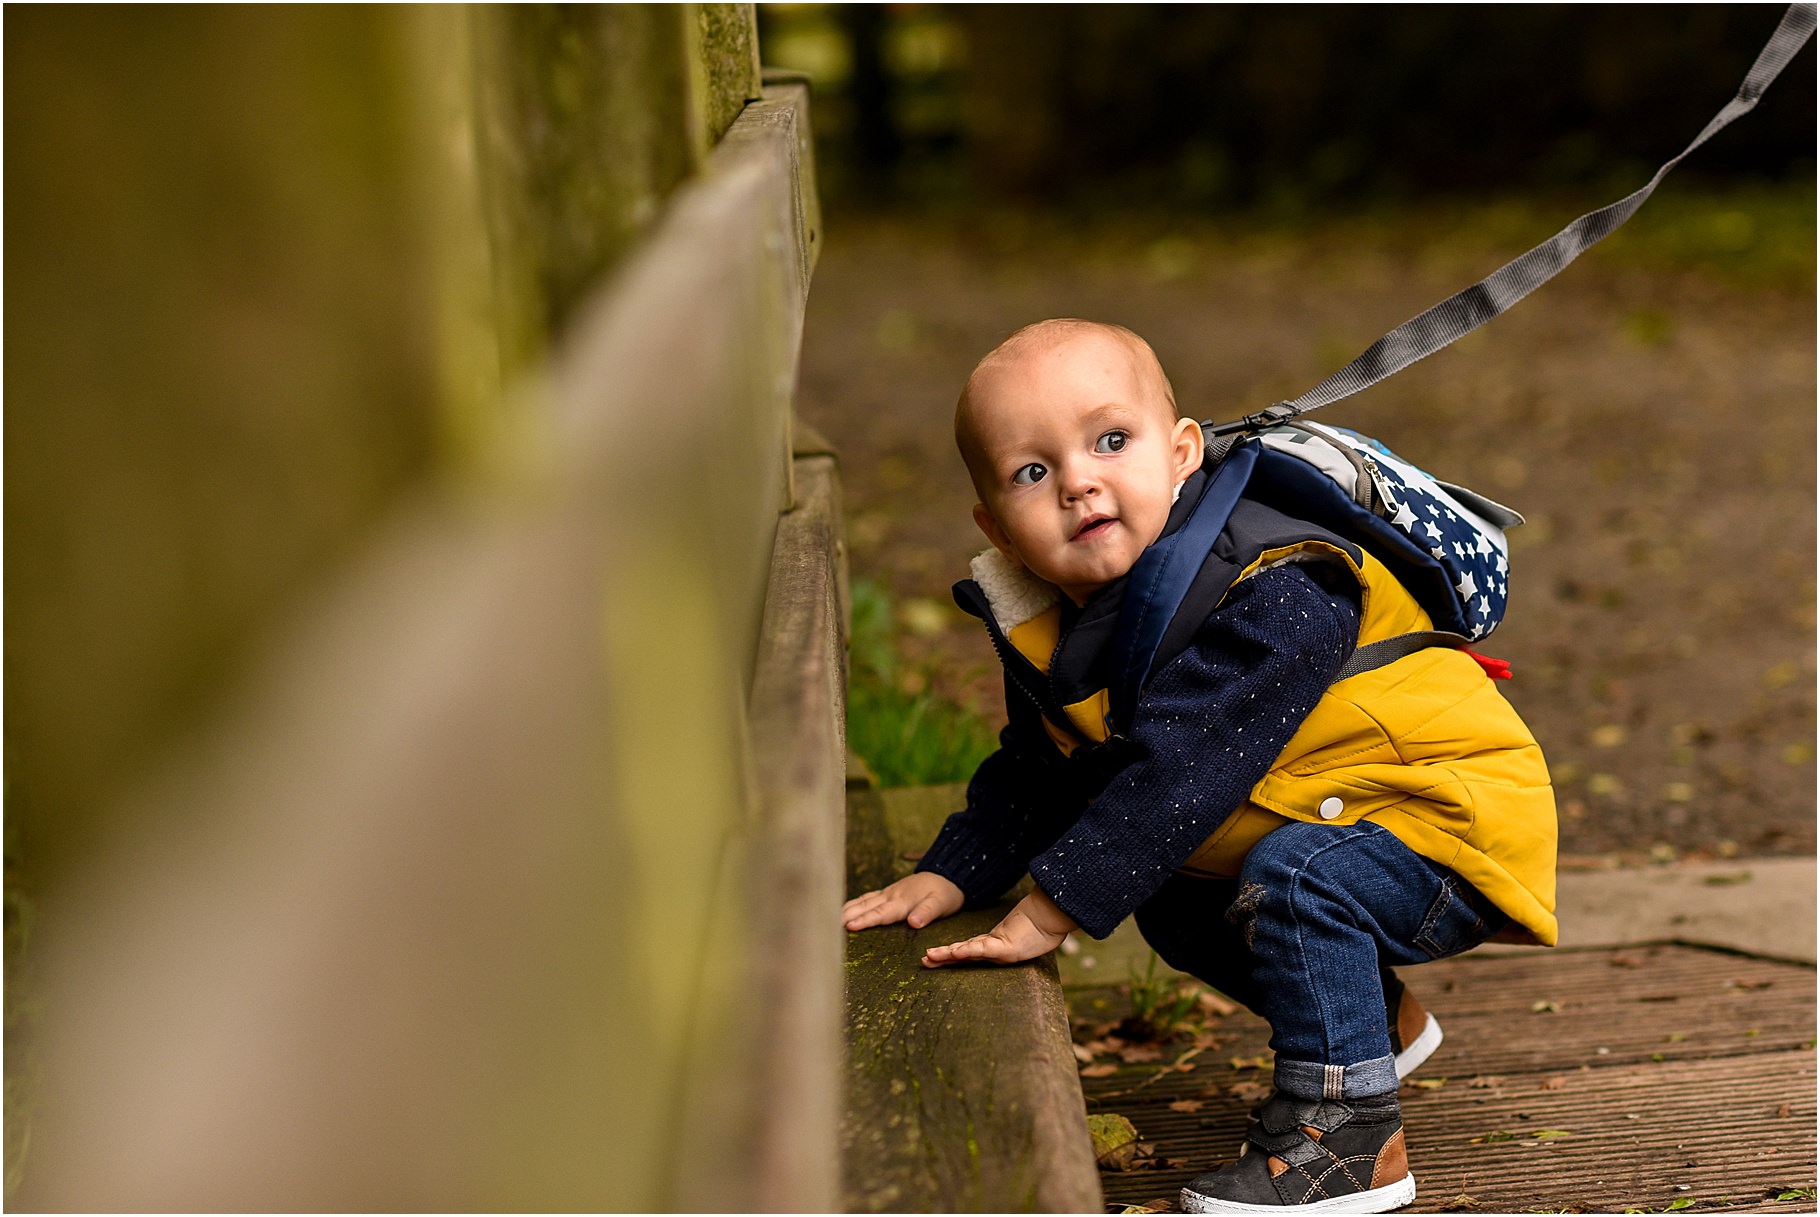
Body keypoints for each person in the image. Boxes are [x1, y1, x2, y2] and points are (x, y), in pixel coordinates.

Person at [841, 318, 1558, 1214]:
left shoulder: (1274, 584)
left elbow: (1179, 772)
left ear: (1182, 454)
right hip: (1335, 807)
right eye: (1034, 470)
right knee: (1176, 896)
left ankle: (1348, 1143)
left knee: (1291, 881)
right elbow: (1040, 764)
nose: (1078, 481)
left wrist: (1049, 909)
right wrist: (953, 869)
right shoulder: (1063, 620)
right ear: (996, 524)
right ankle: (1371, 1023)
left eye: (1110, 440)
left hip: (1446, 813)